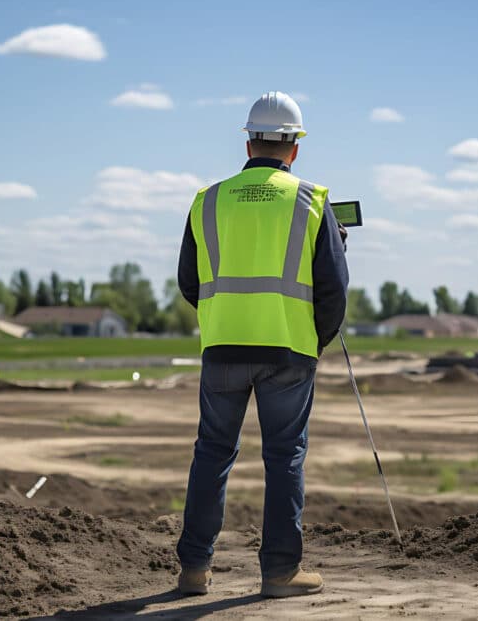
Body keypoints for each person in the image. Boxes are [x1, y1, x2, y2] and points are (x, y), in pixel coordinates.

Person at [174, 91, 349, 598]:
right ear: (294, 148)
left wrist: (221, 318)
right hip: (288, 350)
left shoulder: (207, 200)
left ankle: (193, 570)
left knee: (211, 452)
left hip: (223, 346)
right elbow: (333, 290)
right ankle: (278, 572)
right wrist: (313, 341)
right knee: (284, 456)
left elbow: (189, 281)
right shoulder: (313, 202)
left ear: (249, 143)